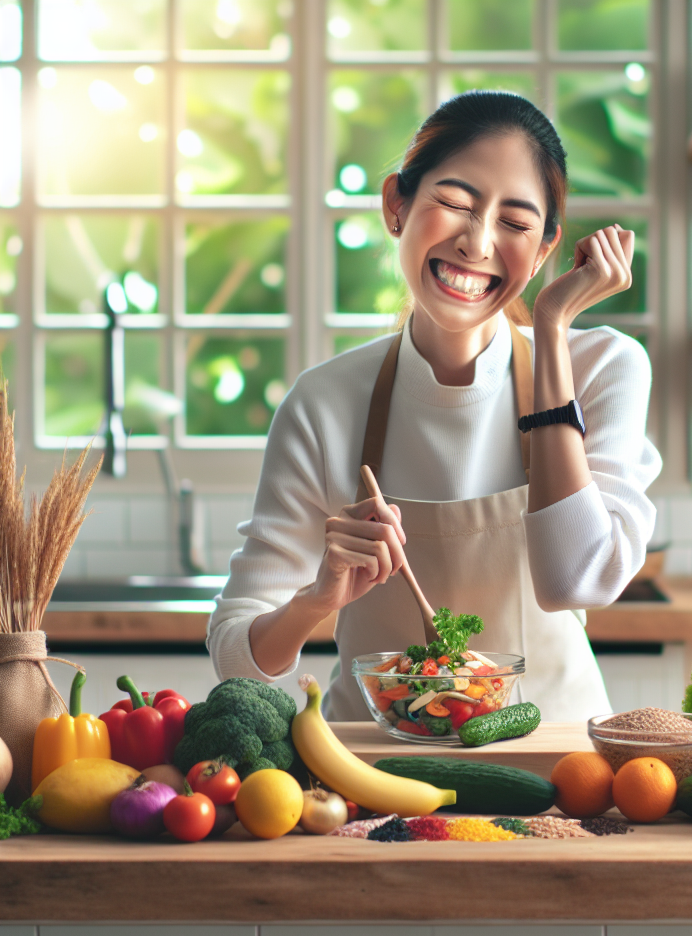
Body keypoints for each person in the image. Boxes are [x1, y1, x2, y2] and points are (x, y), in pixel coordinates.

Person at [208, 90, 662, 721]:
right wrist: (318, 597)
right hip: (371, 776)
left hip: (556, 772)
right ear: (397, 204)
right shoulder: (325, 402)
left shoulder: (603, 368)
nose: (477, 243)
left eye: (515, 223)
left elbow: (576, 582)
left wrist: (553, 325)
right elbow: (235, 654)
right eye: (453, 203)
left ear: (544, 249)